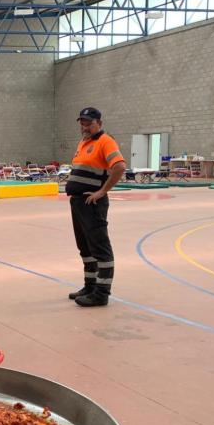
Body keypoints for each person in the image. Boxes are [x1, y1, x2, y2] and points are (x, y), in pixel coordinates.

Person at [65, 107, 126, 307]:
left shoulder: (105, 141)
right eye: (82, 123)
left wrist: (102, 192)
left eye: (89, 123)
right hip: (78, 202)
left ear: (99, 123)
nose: (84, 127)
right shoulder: (84, 142)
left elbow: (119, 167)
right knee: (85, 247)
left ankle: (101, 293)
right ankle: (90, 286)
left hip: (92, 203)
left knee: (100, 248)